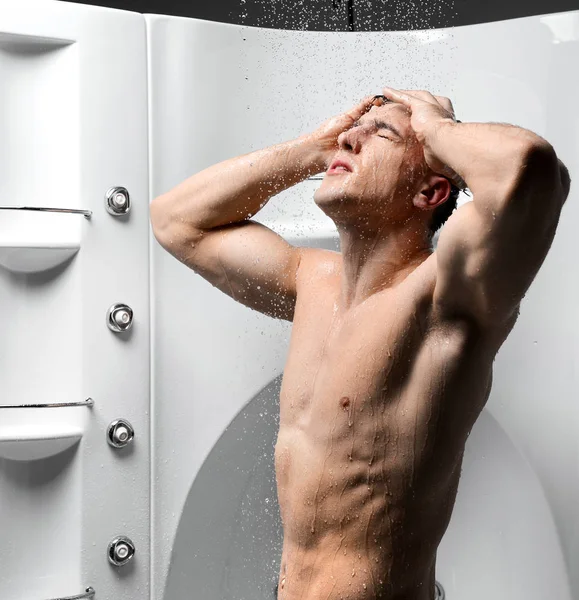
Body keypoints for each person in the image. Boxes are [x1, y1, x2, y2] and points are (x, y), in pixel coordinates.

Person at [150, 87, 571, 600]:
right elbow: (175, 220)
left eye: (383, 134)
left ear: (430, 192)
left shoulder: (442, 298)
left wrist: (434, 127)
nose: (351, 137)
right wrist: (312, 148)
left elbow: (530, 169)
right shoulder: (311, 282)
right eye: (354, 131)